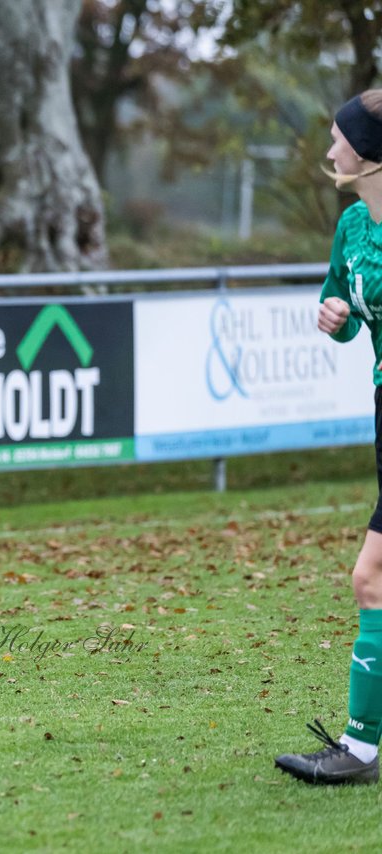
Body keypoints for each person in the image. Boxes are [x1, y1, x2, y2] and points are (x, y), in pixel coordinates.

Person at [275, 89, 382, 784]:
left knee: (371, 577)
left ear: (370, 153)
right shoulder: (352, 224)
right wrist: (337, 316)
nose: (332, 147)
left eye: (341, 137)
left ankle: (359, 749)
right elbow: (336, 312)